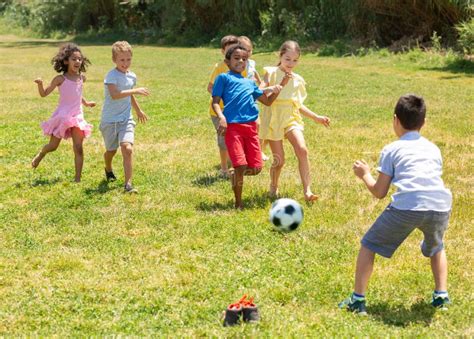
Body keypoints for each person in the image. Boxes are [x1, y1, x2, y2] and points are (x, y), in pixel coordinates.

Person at [339, 94, 453, 314]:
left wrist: (364, 174)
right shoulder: (434, 149)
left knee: (368, 245)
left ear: (395, 120)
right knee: (437, 247)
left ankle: (357, 300)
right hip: (440, 205)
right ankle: (441, 296)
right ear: (424, 122)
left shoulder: (391, 149)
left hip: (408, 206)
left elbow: (379, 192)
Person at [211, 44, 285, 209]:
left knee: (256, 168)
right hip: (233, 127)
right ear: (227, 62)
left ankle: (235, 173)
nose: (241, 61)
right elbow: (215, 102)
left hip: (251, 128)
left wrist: (278, 88)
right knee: (241, 164)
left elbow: (267, 101)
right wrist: (221, 117)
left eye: (244, 59)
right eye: (236, 58)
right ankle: (238, 204)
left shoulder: (250, 83)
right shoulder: (223, 78)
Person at [259, 40, 330, 202]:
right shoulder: (271, 73)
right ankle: (274, 185)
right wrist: (273, 87)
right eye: (287, 59)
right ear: (280, 56)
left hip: (291, 118)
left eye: (295, 60)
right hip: (273, 119)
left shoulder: (297, 79)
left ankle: (308, 191)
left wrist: (316, 117)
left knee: (302, 150)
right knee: (279, 160)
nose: (291, 63)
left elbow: (297, 105)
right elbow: (259, 91)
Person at [32, 43, 95, 183]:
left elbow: (77, 95)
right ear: (66, 61)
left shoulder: (81, 78)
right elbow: (44, 94)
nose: (77, 61)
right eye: (74, 59)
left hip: (77, 116)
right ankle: (41, 154)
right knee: (53, 147)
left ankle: (77, 179)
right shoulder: (60, 79)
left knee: (78, 148)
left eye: (79, 59)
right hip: (63, 116)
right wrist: (40, 84)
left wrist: (86, 103)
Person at [100, 41, 149, 193]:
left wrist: (138, 110)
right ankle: (108, 167)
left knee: (127, 149)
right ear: (114, 60)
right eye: (122, 60)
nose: (125, 63)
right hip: (109, 120)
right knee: (111, 151)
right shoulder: (111, 76)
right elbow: (115, 95)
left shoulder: (132, 76)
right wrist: (135, 91)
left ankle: (128, 184)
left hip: (126, 119)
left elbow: (129, 95)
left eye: (128, 59)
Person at [207, 35, 247, 178]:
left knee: (237, 138)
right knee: (223, 141)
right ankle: (224, 168)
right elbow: (210, 87)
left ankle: (235, 165)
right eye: (229, 49)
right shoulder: (219, 68)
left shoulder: (241, 66)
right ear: (223, 52)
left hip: (236, 110)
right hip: (219, 111)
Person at [238, 35, 269, 162]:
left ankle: (259, 151)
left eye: (250, 50)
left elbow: (254, 71)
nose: (248, 53)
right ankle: (243, 151)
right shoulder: (237, 63)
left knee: (258, 124)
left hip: (252, 97)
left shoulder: (252, 62)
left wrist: (260, 81)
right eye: (244, 49)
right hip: (240, 99)